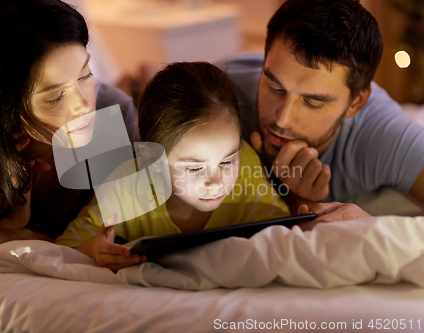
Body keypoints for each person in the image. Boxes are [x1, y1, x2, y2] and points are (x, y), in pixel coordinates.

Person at [0, 0, 137, 266]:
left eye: (86, 74)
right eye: (56, 96)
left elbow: (111, 241)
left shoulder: (111, 114)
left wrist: (18, 233)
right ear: (1, 103)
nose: (84, 104)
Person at [56, 62, 290, 270]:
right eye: (195, 168)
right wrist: (92, 250)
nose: (217, 181)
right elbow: (63, 249)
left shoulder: (246, 161)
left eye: (227, 161)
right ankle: (136, 77)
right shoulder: (127, 184)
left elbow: (284, 229)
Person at [219, 0, 424, 214]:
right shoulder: (221, 94)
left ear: (356, 103)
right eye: (275, 87)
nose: (282, 119)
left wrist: (369, 225)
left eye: (312, 102)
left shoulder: (384, 135)